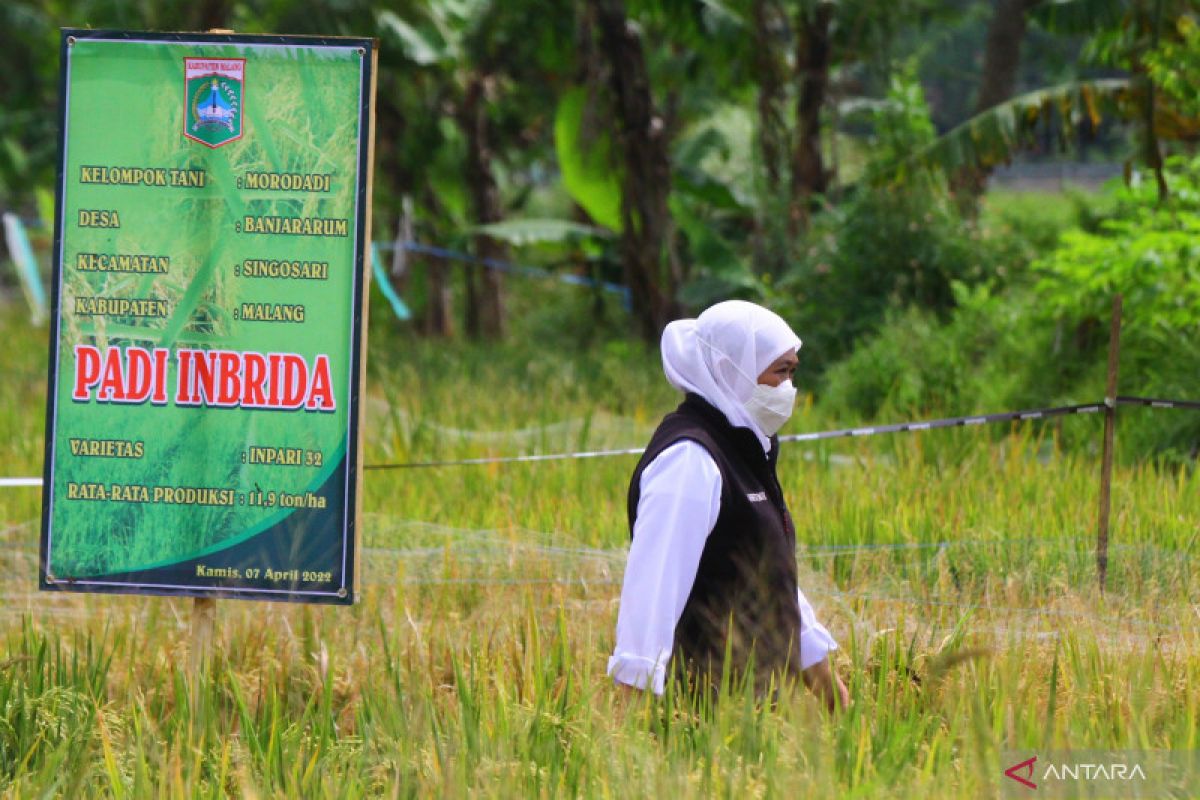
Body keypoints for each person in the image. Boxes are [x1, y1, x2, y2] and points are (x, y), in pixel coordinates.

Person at [607, 300, 848, 710]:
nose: (789, 389)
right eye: (780, 372)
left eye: (793, 371)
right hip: (695, 722)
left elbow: (772, 580)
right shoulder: (689, 461)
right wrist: (624, 748)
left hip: (746, 721)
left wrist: (832, 692)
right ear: (730, 370)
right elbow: (651, 601)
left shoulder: (744, 448)